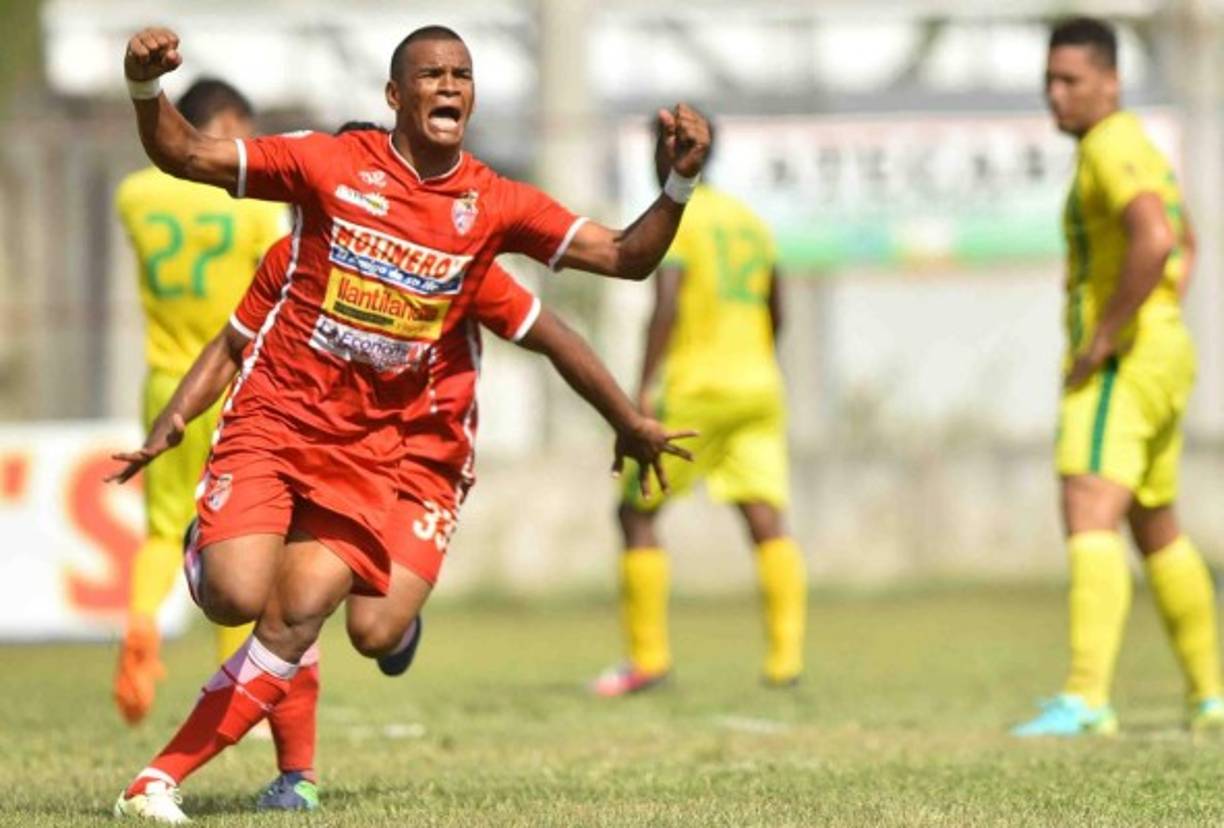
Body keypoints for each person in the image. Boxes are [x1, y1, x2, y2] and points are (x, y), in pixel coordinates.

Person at [111, 23, 710, 822]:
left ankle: (158, 782)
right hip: (277, 421)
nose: (451, 86)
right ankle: (215, 553)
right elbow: (186, 155)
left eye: (463, 74)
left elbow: (625, 257)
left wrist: (674, 188)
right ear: (396, 96)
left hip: (374, 454)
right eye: (432, 74)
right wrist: (145, 88)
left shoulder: (491, 207)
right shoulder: (326, 167)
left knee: (308, 619)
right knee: (234, 595)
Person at [1012, 17, 1223, 737]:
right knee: (1154, 522)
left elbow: (1157, 238)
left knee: (1087, 500)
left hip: (1126, 359)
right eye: (1049, 79)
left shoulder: (1110, 145)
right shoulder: (1138, 147)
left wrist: (1105, 335)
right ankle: (1210, 695)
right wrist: (1161, 311)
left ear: (1111, 81)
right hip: (1163, 351)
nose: (1056, 94)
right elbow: (1185, 241)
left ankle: (1086, 698)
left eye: (1070, 80)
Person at [591, 116, 806, 697]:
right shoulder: (751, 222)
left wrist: (640, 388)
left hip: (695, 389)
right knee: (765, 517)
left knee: (635, 516)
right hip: (759, 385)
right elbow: (777, 308)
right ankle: (786, 662)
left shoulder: (677, 217)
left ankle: (648, 660)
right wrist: (756, 357)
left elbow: (666, 305)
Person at [112, 77, 286, 724]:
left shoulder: (133, 195)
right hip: (233, 378)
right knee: (238, 535)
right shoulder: (252, 204)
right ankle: (241, 689)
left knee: (161, 531)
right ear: (226, 121)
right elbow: (282, 277)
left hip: (163, 383)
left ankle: (139, 623)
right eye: (244, 126)